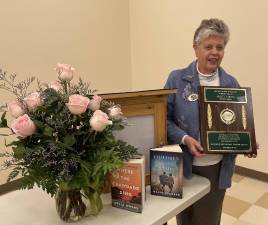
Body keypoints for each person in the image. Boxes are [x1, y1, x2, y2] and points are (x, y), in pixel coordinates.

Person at [164, 18, 256, 225]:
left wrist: (247, 141)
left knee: (208, 219)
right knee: (185, 219)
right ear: (195, 48)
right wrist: (185, 138)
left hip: (215, 167)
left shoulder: (231, 83)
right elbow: (165, 120)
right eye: (208, 46)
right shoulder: (176, 79)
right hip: (184, 165)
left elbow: (237, 124)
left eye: (220, 47)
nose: (214, 52)